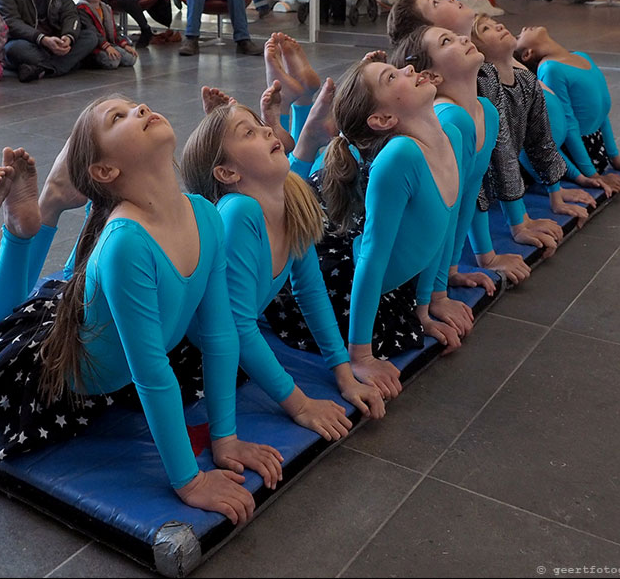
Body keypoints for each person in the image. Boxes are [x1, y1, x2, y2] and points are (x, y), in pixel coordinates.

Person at [0, 103, 284, 524]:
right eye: (118, 119)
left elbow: (220, 333)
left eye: (133, 106)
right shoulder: (128, 242)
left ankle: (25, 232)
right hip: (42, 365)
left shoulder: (206, 214)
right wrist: (188, 481)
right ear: (104, 171)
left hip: (66, 320)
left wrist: (225, 438)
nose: (139, 107)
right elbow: (152, 373)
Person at [181, 98, 388, 427]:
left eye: (260, 125)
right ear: (227, 172)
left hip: (217, 351)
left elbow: (310, 290)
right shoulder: (238, 212)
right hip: (180, 352)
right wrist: (301, 405)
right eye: (248, 132)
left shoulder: (289, 197)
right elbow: (239, 326)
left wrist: (345, 375)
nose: (266, 130)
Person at [316, 52, 468, 379]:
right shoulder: (401, 156)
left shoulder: (450, 136)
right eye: (391, 77)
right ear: (383, 119)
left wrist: (425, 309)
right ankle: (308, 132)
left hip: (382, 280)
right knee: (297, 200)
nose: (409, 68)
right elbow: (371, 258)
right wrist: (361, 356)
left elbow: (442, 232)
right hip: (340, 281)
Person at [390, 25, 529, 314]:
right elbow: (441, 215)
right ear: (431, 77)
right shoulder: (450, 118)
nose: (464, 38)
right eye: (447, 41)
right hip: (398, 244)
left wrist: (477, 260)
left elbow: (469, 198)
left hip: (423, 243)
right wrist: (434, 298)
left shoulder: (485, 112)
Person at [468, 14, 599, 240]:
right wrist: (519, 225)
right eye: (486, 29)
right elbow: (503, 157)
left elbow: (540, 141)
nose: (499, 25)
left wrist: (556, 196)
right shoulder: (485, 88)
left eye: (492, 22)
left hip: (505, 172)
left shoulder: (526, 79)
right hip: (478, 182)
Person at [514, 26, 620, 186]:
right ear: (527, 54)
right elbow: (567, 125)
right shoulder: (551, 70)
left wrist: (616, 160)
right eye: (519, 36)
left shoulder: (582, 57)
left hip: (595, 149)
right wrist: (591, 175)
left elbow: (601, 114)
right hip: (576, 154)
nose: (524, 28)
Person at [74, 0, 136, 70]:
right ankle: (86, 61)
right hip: (94, 47)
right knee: (113, 62)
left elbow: (115, 29)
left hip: (109, 43)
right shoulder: (82, 9)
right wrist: (106, 47)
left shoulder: (106, 8)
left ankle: (111, 53)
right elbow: (92, 31)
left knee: (131, 59)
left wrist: (124, 44)